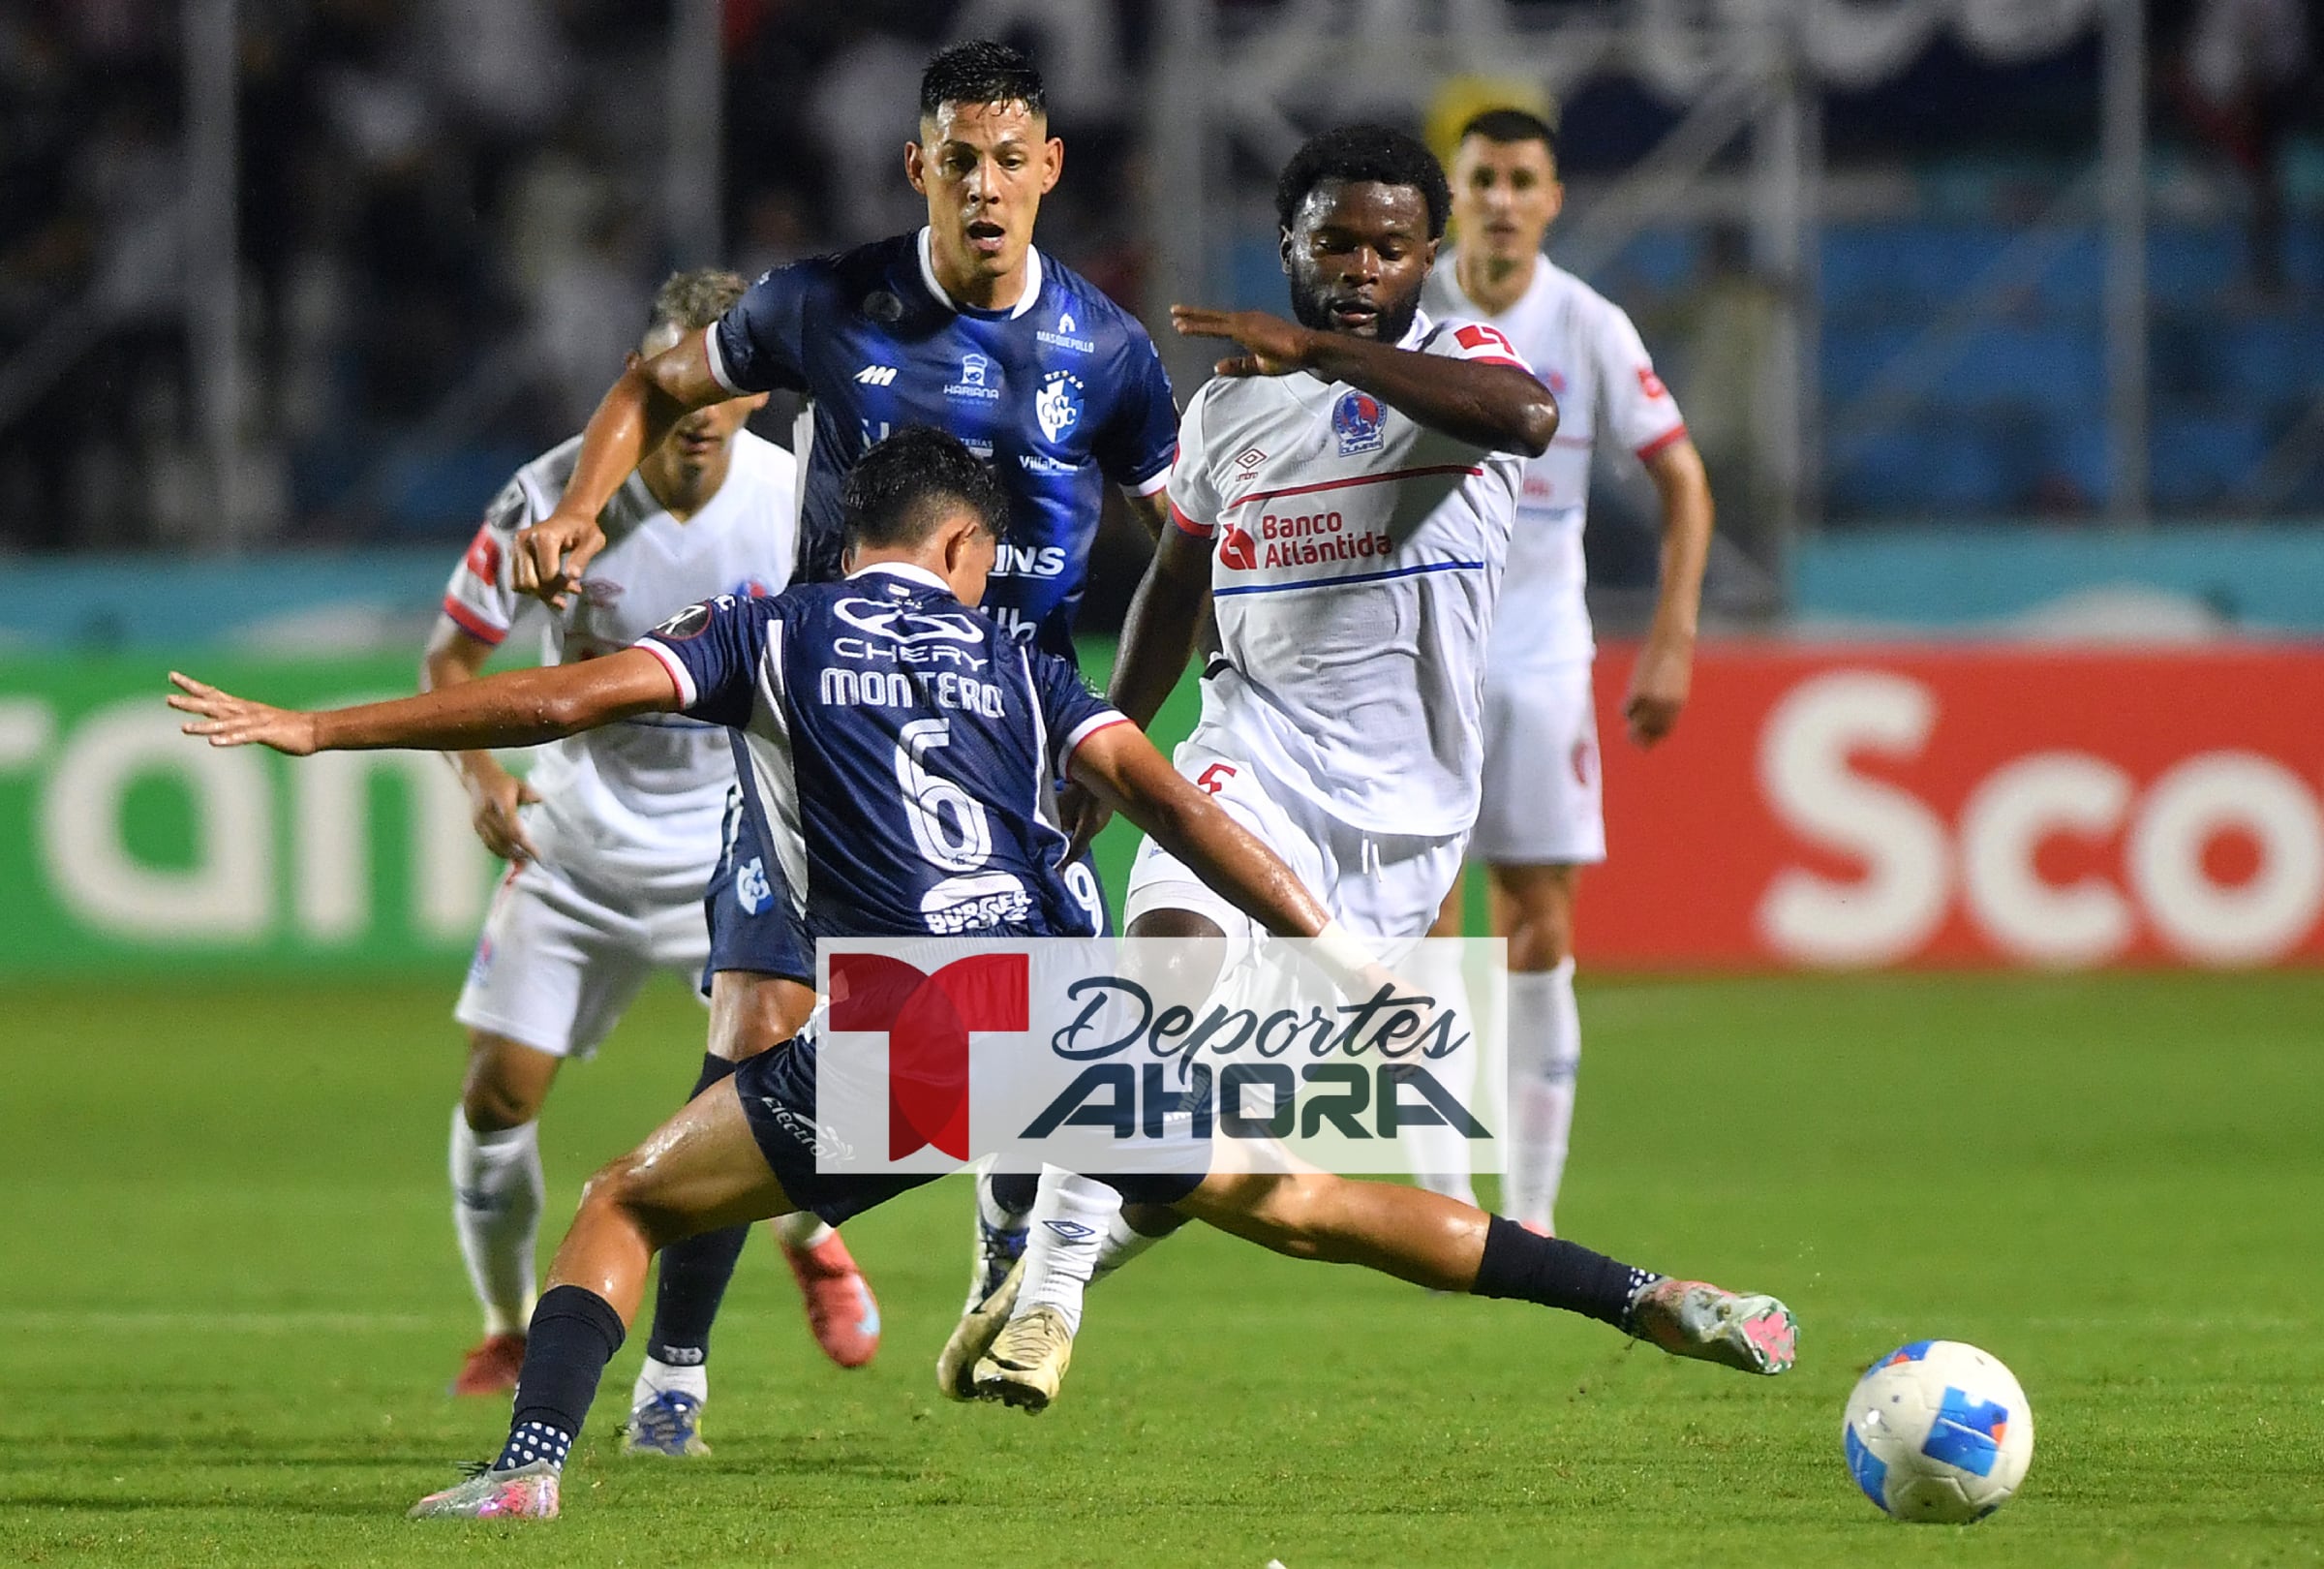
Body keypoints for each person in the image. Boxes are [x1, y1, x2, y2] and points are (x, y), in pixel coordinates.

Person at [168, 428, 1796, 1524]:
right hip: (1069, 1011)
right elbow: (1157, 796)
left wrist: (316, 729)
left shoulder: (779, 632)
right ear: (963, 549)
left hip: (911, 1032)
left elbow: (551, 707)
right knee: (1297, 1204)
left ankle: (530, 1471)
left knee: (625, 1199)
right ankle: (1653, 1296)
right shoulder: (1024, 655)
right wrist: (1328, 940)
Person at [504, 42, 1184, 1398]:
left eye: (1010, 160)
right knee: (760, 1028)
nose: (984, 186)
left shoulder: (1108, 354)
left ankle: (1009, 1233)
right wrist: (582, 505)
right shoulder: (826, 306)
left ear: (1050, 169)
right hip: (828, 734)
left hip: (1012, 750)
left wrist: (1120, 733)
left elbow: (1188, 543)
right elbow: (654, 382)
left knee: (1083, 1087)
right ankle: (675, 1374)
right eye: (959, 159)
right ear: (917, 165)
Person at [948, 123, 1620, 1413]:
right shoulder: (1228, 411)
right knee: (1169, 974)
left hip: (1403, 819)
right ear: (1288, 247)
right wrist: (1112, 741)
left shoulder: (1453, 363)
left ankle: (1042, 1236)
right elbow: (1176, 579)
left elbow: (1530, 419)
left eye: (1389, 244)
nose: (1361, 264)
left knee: (1198, 1131)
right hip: (1246, 758)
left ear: (1429, 255)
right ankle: (1045, 1308)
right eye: (1335, 243)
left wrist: (1322, 351)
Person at [423, 268, 880, 1417]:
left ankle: (811, 1236)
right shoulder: (553, 494)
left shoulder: (795, 504)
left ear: (752, 397)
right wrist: (480, 776)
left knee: (781, 1082)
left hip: (737, 841)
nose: (695, 423)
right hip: (577, 845)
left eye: (717, 400)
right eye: (674, 400)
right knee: (496, 1095)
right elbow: (453, 659)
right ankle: (505, 1324)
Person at [1411, 108, 1713, 1236]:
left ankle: (1530, 1210)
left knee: (1538, 920)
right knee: (1425, 914)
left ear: (1551, 198)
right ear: (1456, 193)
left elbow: (1683, 479)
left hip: (1539, 655)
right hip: (1418, 650)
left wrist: (1672, 638)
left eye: (1519, 178)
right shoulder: (1411, 308)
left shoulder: (1586, 323)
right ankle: (1446, 1201)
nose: (1499, 196)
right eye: (1481, 177)